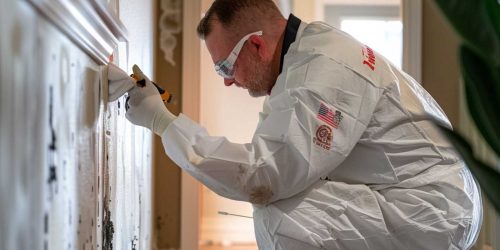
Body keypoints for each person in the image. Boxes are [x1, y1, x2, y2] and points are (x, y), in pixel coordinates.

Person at [115, 0, 483, 249]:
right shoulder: (306, 54)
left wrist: (164, 123)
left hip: (434, 211)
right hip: (428, 202)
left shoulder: (321, 73)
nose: (227, 80)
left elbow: (263, 177)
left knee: (281, 214)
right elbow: (275, 154)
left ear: (256, 46)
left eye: (225, 66)